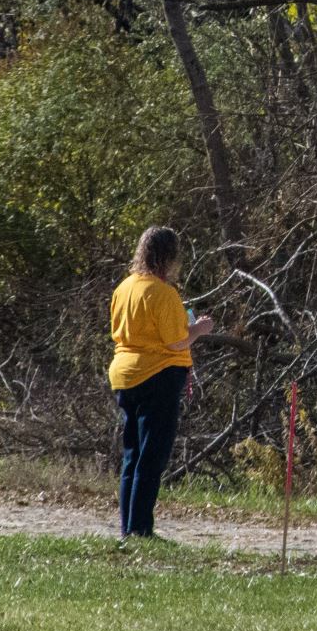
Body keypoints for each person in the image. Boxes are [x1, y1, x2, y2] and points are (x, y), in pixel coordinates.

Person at [109, 225, 213, 539]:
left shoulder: (124, 287)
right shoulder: (164, 293)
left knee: (133, 455)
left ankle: (128, 528)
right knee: (152, 456)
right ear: (169, 257)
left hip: (124, 375)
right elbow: (176, 343)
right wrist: (200, 329)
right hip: (158, 374)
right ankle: (141, 530)